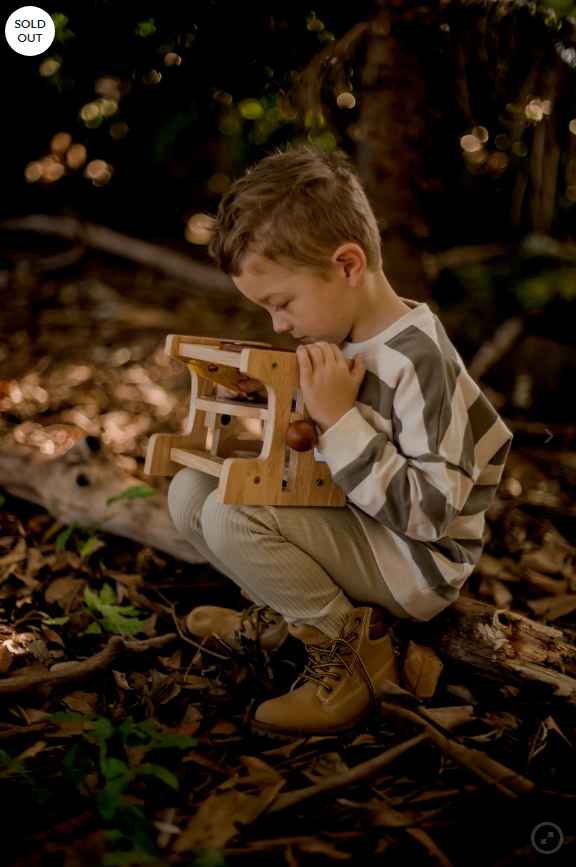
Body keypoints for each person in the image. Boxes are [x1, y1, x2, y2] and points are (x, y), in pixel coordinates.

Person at [167, 145, 513, 737]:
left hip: (413, 560)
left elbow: (431, 513)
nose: (278, 324)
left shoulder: (418, 360)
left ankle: (357, 659)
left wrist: (338, 421)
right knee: (191, 488)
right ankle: (286, 615)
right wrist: (274, 399)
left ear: (349, 265)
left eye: (282, 303)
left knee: (231, 516)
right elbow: (318, 438)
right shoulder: (343, 333)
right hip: (359, 523)